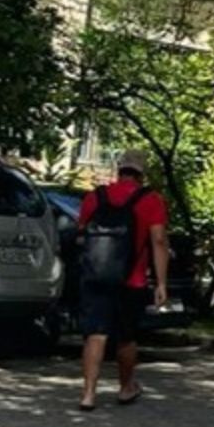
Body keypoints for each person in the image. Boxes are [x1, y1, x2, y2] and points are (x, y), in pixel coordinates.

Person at [74, 149, 171, 412]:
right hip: (132, 279)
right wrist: (161, 283)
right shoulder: (151, 200)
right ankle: (126, 387)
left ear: (119, 170)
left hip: (95, 276)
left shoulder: (95, 197)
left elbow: (81, 234)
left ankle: (88, 394)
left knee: (95, 333)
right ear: (142, 173)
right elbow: (159, 241)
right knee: (126, 337)